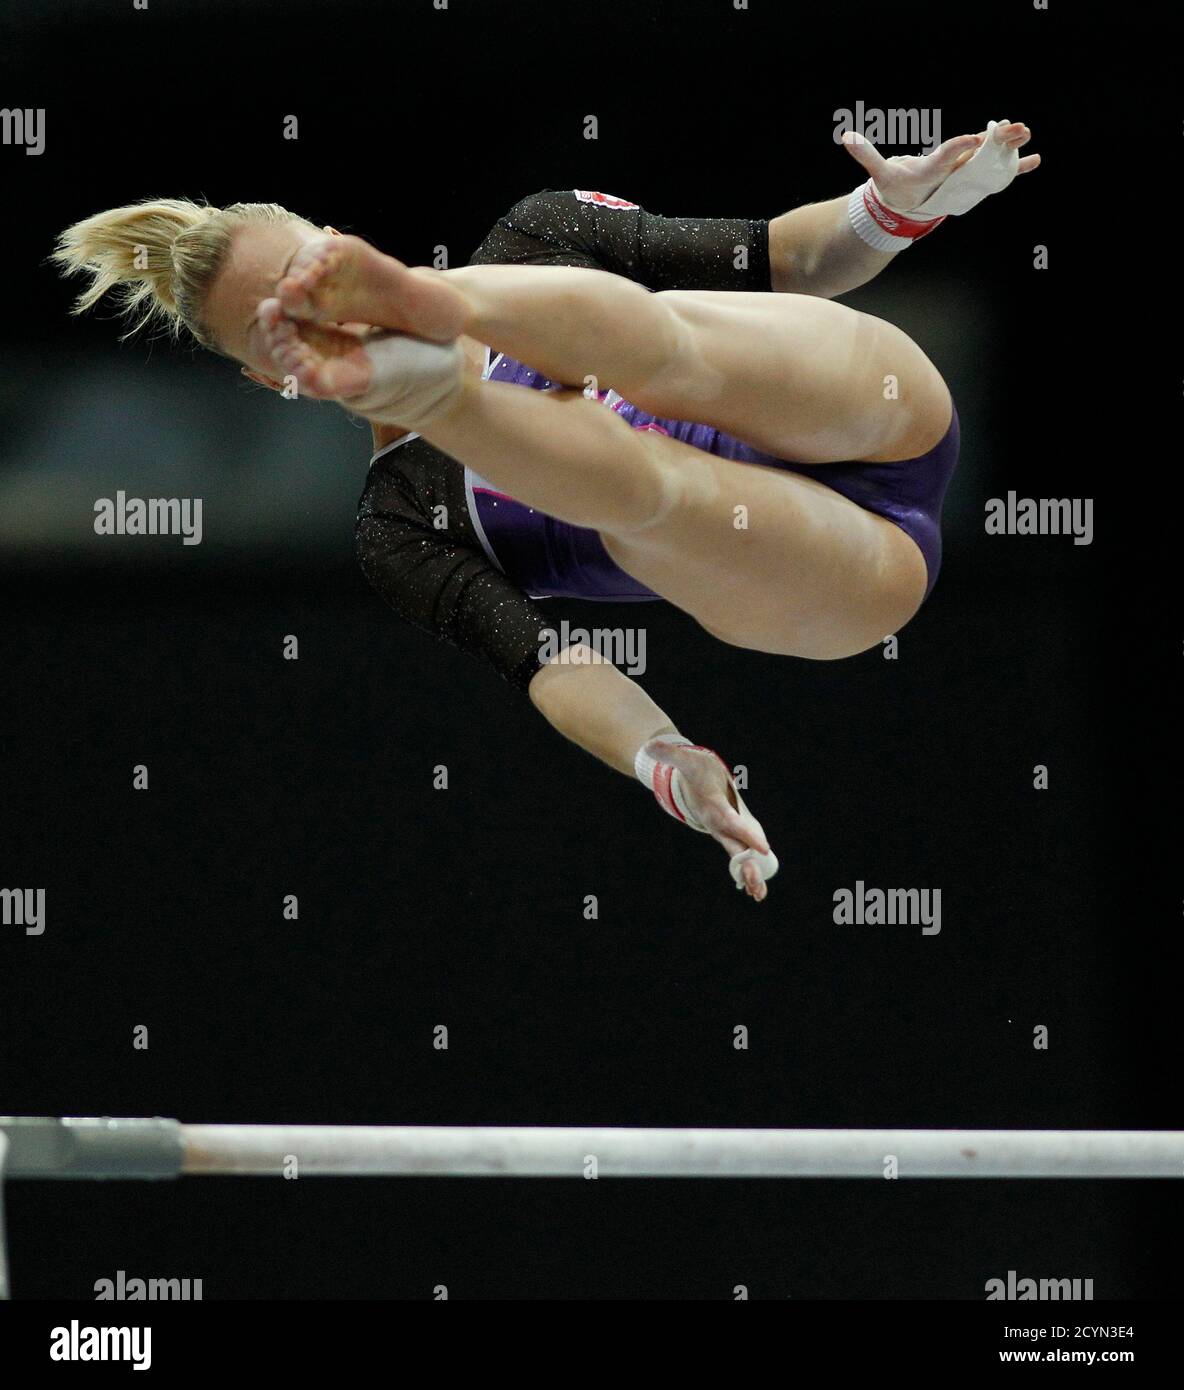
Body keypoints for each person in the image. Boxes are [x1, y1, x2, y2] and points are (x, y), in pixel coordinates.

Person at [53, 120, 1039, 900]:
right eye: (288, 325)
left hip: (867, 407)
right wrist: (665, 761)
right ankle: (434, 392)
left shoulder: (541, 232)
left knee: (666, 353)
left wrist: (891, 207)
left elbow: (779, 262)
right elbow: (552, 663)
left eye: (312, 273)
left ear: (340, 244)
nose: (321, 311)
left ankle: (438, 338)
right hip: (820, 572)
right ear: (270, 380)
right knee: (645, 494)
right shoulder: (401, 522)